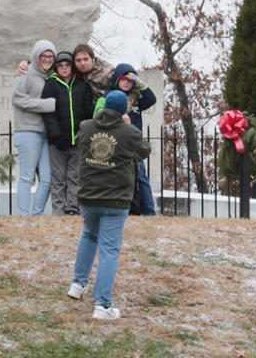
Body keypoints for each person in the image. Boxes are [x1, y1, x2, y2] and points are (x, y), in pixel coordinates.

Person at [67, 90, 150, 320]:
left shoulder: (86, 127)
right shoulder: (129, 132)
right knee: (109, 250)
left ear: (103, 106)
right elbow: (144, 151)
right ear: (124, 109)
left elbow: (81, 143)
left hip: (88, 196)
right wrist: (127, 124)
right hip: (115, 199)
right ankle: (103, 305)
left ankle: (78, 284)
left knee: (89, 235)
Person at [93, 64, 157, 215]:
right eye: (123, 79)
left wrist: (139, 82)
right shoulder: (108, 97)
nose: (126, 82)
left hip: (133, 144)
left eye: (130, 80)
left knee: (140, 177)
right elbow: (98, 115)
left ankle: (149, 212)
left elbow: (151, 98)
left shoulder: (137, 98)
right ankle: (119, 210)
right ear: (116, 80)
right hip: (114, 143)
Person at [42, 51, 94, 215]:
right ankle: (58, 209)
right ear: (56, 67)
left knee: (75, 175)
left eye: (67, 64)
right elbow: (48, 112)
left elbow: (87, 111)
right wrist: (56, 134)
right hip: (57, 141)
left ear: (72, 66)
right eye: (60, 65)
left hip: (78, 139)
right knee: (58, 177)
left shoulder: (82, 84)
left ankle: (72, 206)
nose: (64, 68)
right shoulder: (51, 84)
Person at [12, 40, 56, 216]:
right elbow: (17, 98)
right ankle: (24, 217)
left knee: (47, 179)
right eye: (43, 56)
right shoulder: (25, 73)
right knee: (27, 177)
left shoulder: (52, 76)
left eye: (50, 56)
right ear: (36, 56)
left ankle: (36, 216)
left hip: (46, 133)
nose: (47, 59)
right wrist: (46, 105)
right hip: (28, 131)